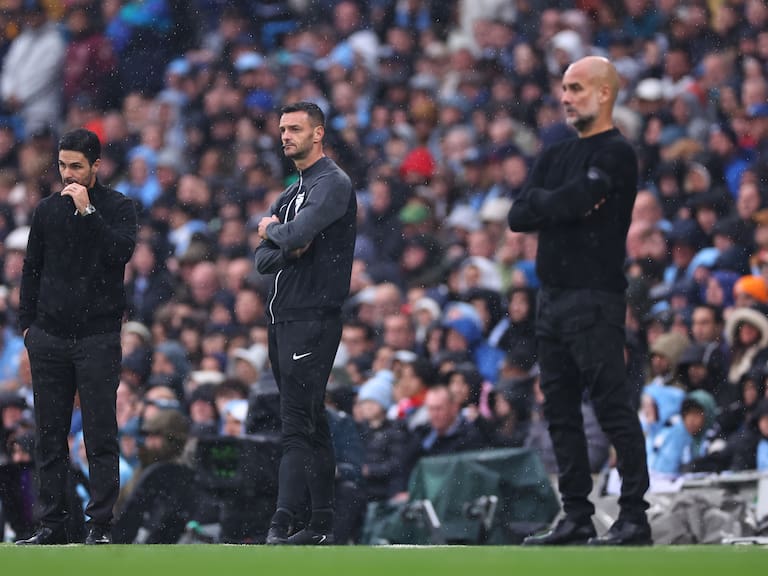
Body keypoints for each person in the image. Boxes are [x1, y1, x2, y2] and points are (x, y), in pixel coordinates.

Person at [508, 56, 652, 546]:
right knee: (560, 411)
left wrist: (554, 205)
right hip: (552, 298)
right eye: (564, 89)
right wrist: (565, 203)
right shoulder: (553, 155)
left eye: (575, 88)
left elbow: (546, 206)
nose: (565, 97)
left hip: (596, 296)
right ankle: (576, 515)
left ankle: (634, 515)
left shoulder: (616, 153)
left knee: (612, 406)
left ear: (605, 93)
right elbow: (518, 215)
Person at [16, 128, 138, 545]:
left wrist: (88, 213)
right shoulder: (47, 211)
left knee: (100, 432)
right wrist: (27, 327)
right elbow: (31, 269)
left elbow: (120, 252)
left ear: (96, 167)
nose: (67, 174)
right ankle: (51, 525)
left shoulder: (118, 207)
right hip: (49, 336)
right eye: (63, 165)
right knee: (49, 434)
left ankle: (100, 525)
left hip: (97, 336)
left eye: (76, 166)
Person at [254, 101, 356, 545]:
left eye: (295, 128)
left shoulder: (331, 183)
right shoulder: (293, 191)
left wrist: (273, 232)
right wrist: (284, 243)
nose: (285, 136)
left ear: (318, 134)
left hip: (312, 317)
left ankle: (281, 523)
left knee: (296, 421)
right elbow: (263, 262)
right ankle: (319, 525)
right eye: (282, 129)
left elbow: (290, 236)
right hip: (284, 318)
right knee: (310, 419)